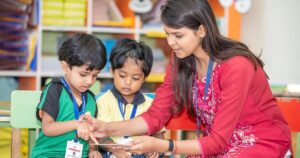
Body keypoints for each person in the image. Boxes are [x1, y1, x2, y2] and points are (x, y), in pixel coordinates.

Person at [84, 0, 292, 157]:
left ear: (202, 30)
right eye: (167, 34)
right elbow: (155, 117)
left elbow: (217, 141)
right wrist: (107, 128)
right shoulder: (181, 60)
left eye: (178, 35)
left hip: (262, 144)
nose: (171, 42)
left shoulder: (237, 66)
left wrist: (164, 146)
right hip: (219, 146)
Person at [31, 33, 106, 158]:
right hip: (48, 154)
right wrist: (77, 124)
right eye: (83, 74)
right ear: (66, 67)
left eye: (95, 75)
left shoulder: (91, 100)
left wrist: (93, 150)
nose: (89, 81)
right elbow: (48, 128)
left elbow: (91, 131)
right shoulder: (55, 89)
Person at [90, 38, 165, 158]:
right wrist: (116, 149)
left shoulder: (151, 104)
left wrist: (155, 147)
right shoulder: (102, 101)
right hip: (112, 153)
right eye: (122, 75)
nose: (128, 82)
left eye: (135, 78)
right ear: (112, 71)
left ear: (144, 78)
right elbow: (101, 136)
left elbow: (159, 135)